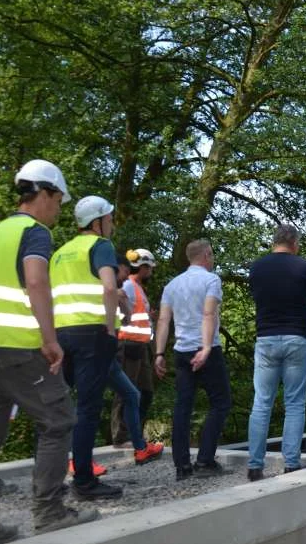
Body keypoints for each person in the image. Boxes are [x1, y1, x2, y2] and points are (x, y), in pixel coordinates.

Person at [0, 159, 98, 544]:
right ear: (45, 194)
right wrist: (50, 338)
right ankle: (49, 513)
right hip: (20, 346)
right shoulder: (33, 232)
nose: (58, 210)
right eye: (58, 201)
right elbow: (36, 280)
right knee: (58, 420)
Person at [51, 195, 123, 499]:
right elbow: (109, 286)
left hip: (61, 332)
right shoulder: (101, 246)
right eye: (109, 218)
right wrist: (110, 326)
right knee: (88, 407)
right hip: (93, 334)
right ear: (97, 222)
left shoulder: (60, 253)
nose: (112, 223)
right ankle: (84, 480)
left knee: (57, 407)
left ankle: (51, 478)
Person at [154, 239, 231, 481]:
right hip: (205, 349)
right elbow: (209, 313)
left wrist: (158, 354)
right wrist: (207, 347)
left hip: (181, 351)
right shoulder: (211, 280)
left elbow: (164, 321)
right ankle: (205, 460)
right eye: (212, 254)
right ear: (206, 255)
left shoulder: (172, 285)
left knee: (182, 406)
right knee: (221, 402)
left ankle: (182, 467)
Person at [246, 225, 306, 481]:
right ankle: (291, 463)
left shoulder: (257, 267)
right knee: (295, 404)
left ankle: (255, 466)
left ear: (274, 241)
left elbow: (258, 297)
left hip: (265, 339)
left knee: (261, 403)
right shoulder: (305, 267)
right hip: (297, 337)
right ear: (294, 243)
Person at [106, 253, 164, 465]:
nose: (151, 272)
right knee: (125, 393)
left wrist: (151, 317)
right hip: (128, 345)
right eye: (149, 267)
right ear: (141, 267)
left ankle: (134, 434)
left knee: (145, 392)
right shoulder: (129, 286)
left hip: (140, 346)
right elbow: (119, 297)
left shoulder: (139, 289)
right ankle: (121, 437)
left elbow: (139, 314)